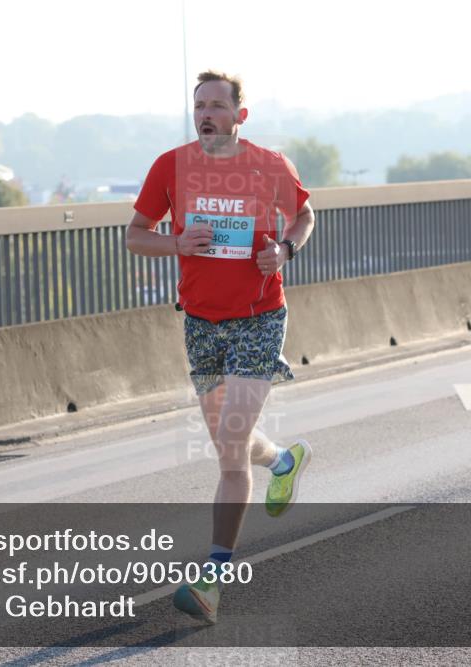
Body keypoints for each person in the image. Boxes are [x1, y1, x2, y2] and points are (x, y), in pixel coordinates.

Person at [125, 70, 316, 624]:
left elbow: (305, 214)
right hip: (201, 324)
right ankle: (285, 459)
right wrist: (175, 242)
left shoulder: (268, 166)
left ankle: (212, 579)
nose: (206, 114)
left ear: (239, 115)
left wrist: (283, 249)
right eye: (199, 106)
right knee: (231, 442)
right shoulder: (171, 167)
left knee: (230, 451)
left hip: (259, 319)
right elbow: (135, 235)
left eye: (216, 105)